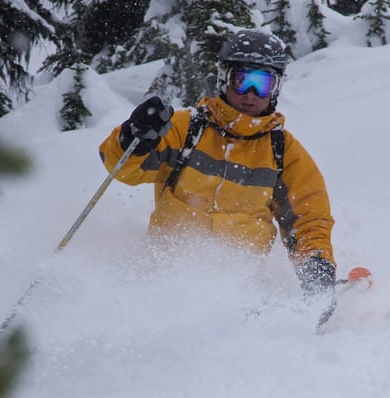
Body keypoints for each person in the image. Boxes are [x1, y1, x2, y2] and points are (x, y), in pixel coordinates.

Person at [99, 30, 337, 305]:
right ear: (224, 79)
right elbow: (122, 168)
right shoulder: (186, 129)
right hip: (163, 279)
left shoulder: (282, 151)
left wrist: (315, 268)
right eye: (242, 80)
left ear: (276, 88)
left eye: (262, 84)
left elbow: (310, 216)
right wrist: (134, 137)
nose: (251, 94)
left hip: (241, 289)